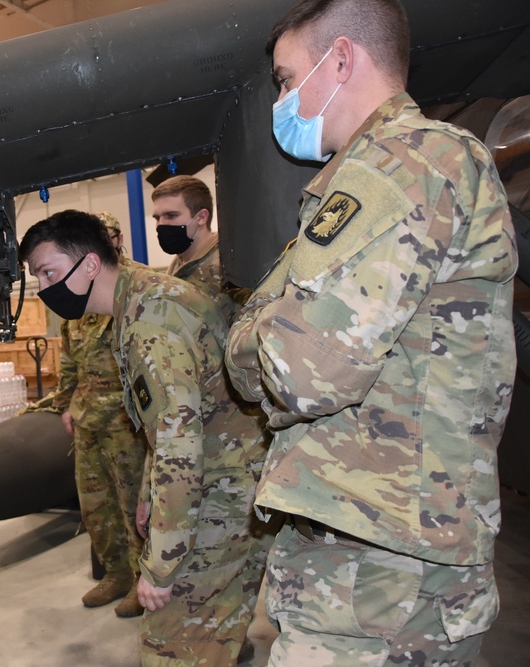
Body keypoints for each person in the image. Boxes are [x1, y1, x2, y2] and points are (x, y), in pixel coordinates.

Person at [224, 1, 517, 665]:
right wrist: (263, 336)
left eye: (285, 77)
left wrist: (254, 337)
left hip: (382, 583)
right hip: (386, 567)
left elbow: (301, 368)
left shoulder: (402, 165)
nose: (282, 99)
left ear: (343, 60)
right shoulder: (397, 170)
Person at [20, 210, 266, 667]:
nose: (45, 288)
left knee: (171, 646)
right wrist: (151, 492)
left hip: (223, 486)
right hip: (230, 472)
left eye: (49, 273)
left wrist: (160, 563)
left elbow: (180, 446)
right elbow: (172, 424)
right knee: (214, 632)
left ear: (89, 265)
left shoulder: (152, 319)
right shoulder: (140, 297)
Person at [50, 212, 149, 618]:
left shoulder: (133, 286)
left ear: (116, 240)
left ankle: (144, 579)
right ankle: (117, 573)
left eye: (105, 238)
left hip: (126, 421)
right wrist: (64, 402)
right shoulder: (77, 292)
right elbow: (70, 353)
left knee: (133, 507)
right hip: (88, 418)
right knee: (95, 506)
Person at [150, 174, 247, 323]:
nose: (161, 225)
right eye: (157, 218)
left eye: (171, 215)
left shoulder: (229, 266)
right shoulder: (178, 265)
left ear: (201, 217)